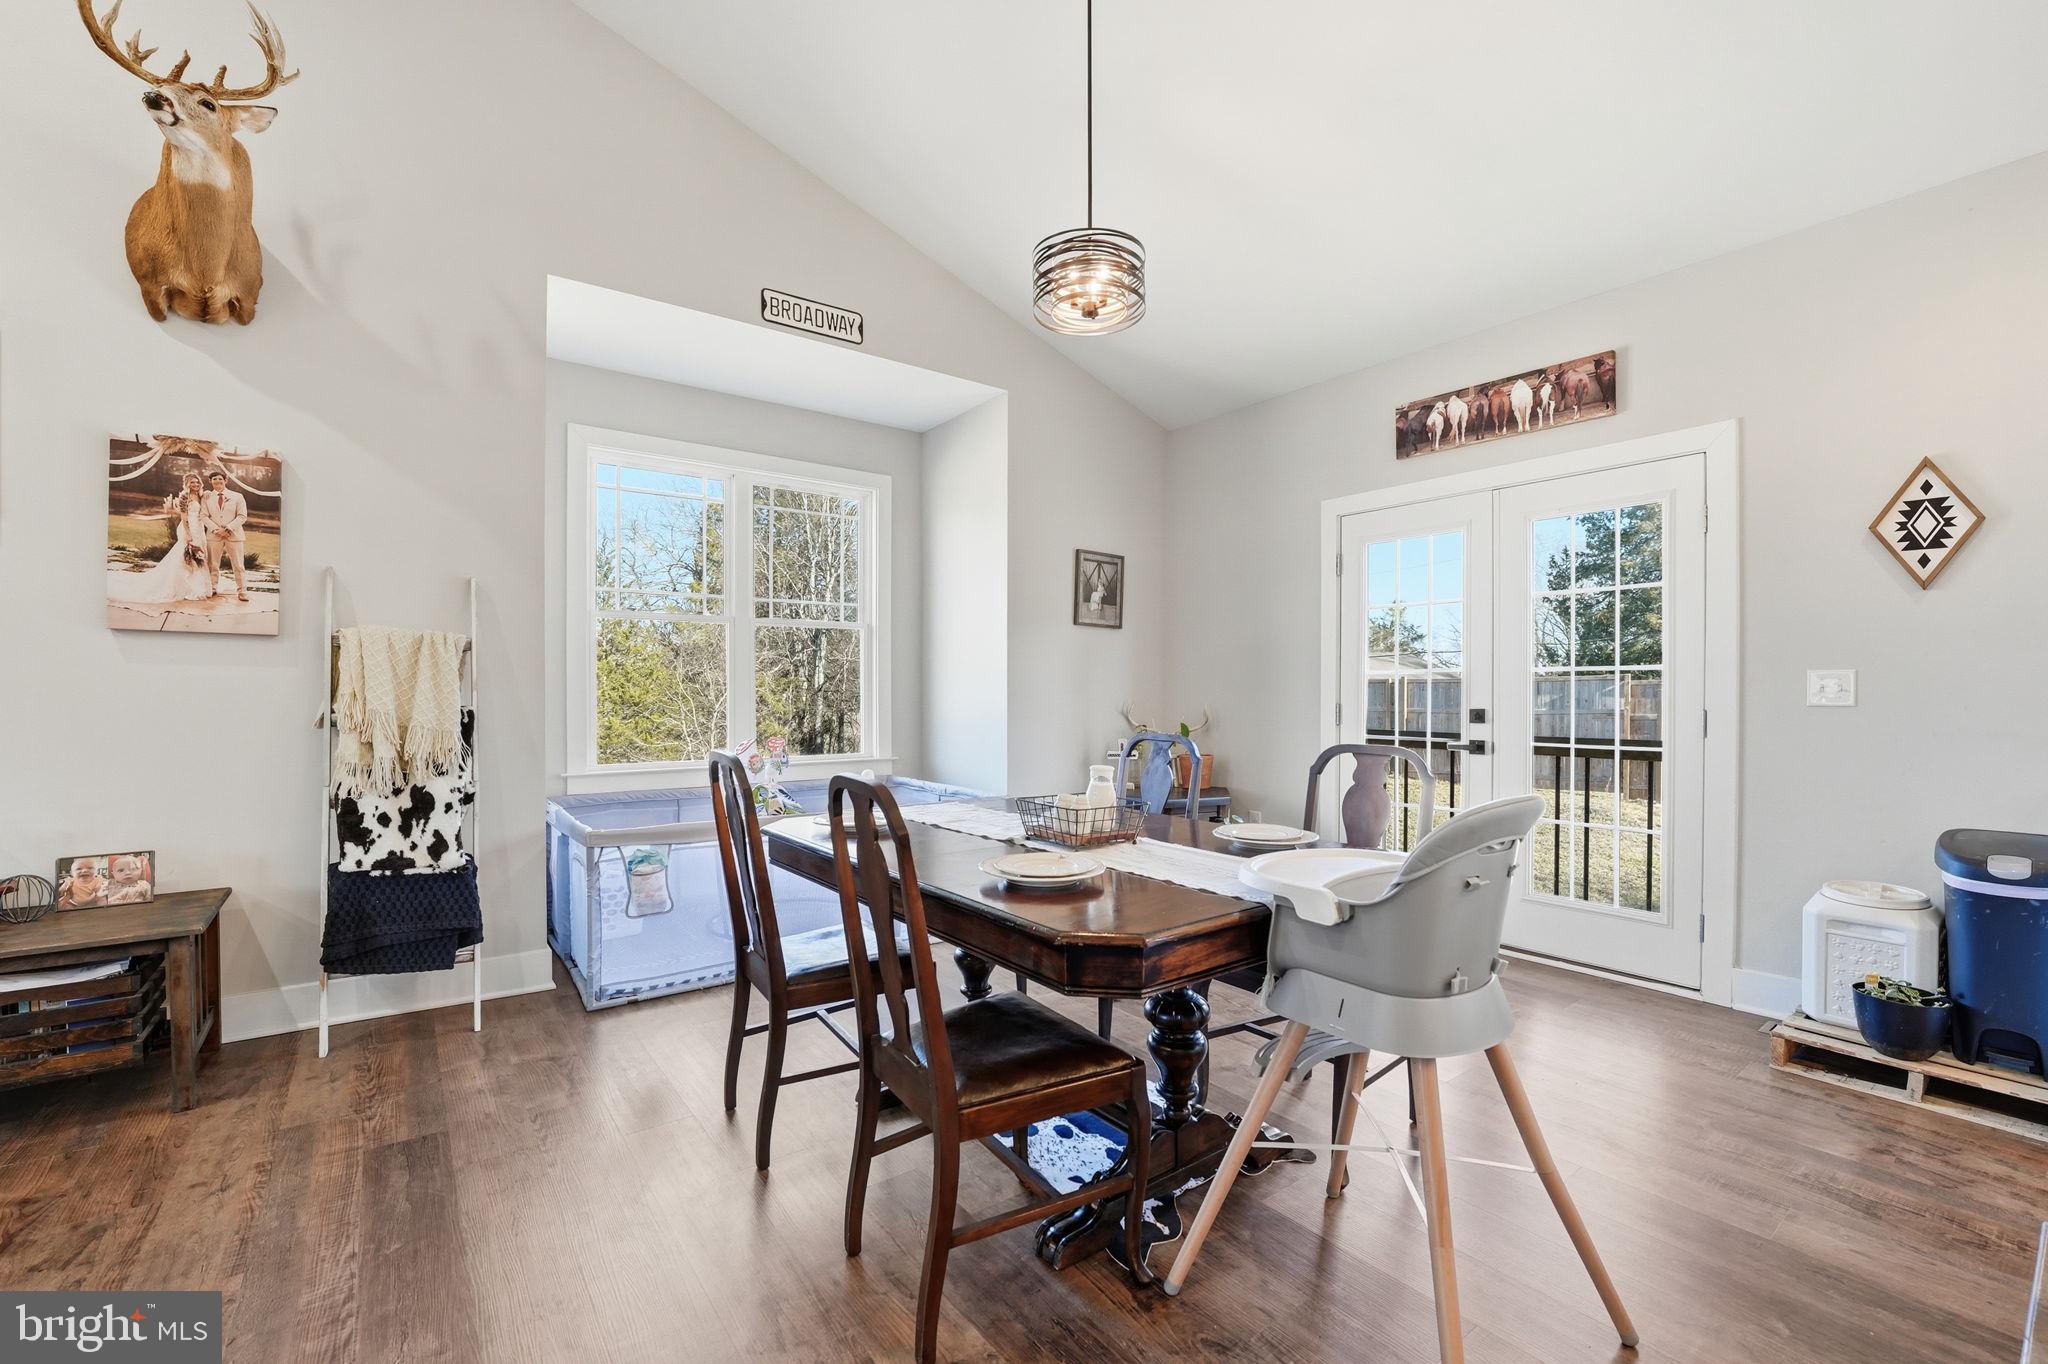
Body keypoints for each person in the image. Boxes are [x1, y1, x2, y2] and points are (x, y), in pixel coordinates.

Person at [108, 473, 213, 605]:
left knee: (200, 555)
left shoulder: (201, 495)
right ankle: (188, 586)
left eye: (197, 482)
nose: (195, 485)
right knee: (187, 556)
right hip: (189, 528)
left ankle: (200, 584)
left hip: (200, 529)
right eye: (192, 482)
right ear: (187, 484)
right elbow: (184, 518)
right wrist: (189, 534)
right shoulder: (184, 496)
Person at [201, 468, 249, 602]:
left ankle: (242, 591)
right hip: (214, 536)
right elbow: (203, 516)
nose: (217, 481)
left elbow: (242, 516)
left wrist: (227, 529)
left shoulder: (237, 496)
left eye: (220, 479)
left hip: (234, 536)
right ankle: (213, 587)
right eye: (214, 479)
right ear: (210, 481)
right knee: (212, 564)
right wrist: (217, 530)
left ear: (225, 481)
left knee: (238, 565)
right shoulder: (207, 497)